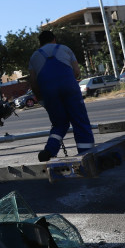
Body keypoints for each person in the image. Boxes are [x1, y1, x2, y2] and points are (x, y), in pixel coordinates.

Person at [28, 30, 94, 162]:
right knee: (79, 121)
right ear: (54, 39)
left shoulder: (34, 56)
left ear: (40, 43)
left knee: (59, 123)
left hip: (49, 91)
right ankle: (87, 154)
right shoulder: (65, 49)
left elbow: (33, 83)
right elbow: (76, 71)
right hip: (69, 86)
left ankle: (50, 150)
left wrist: (41, 99)